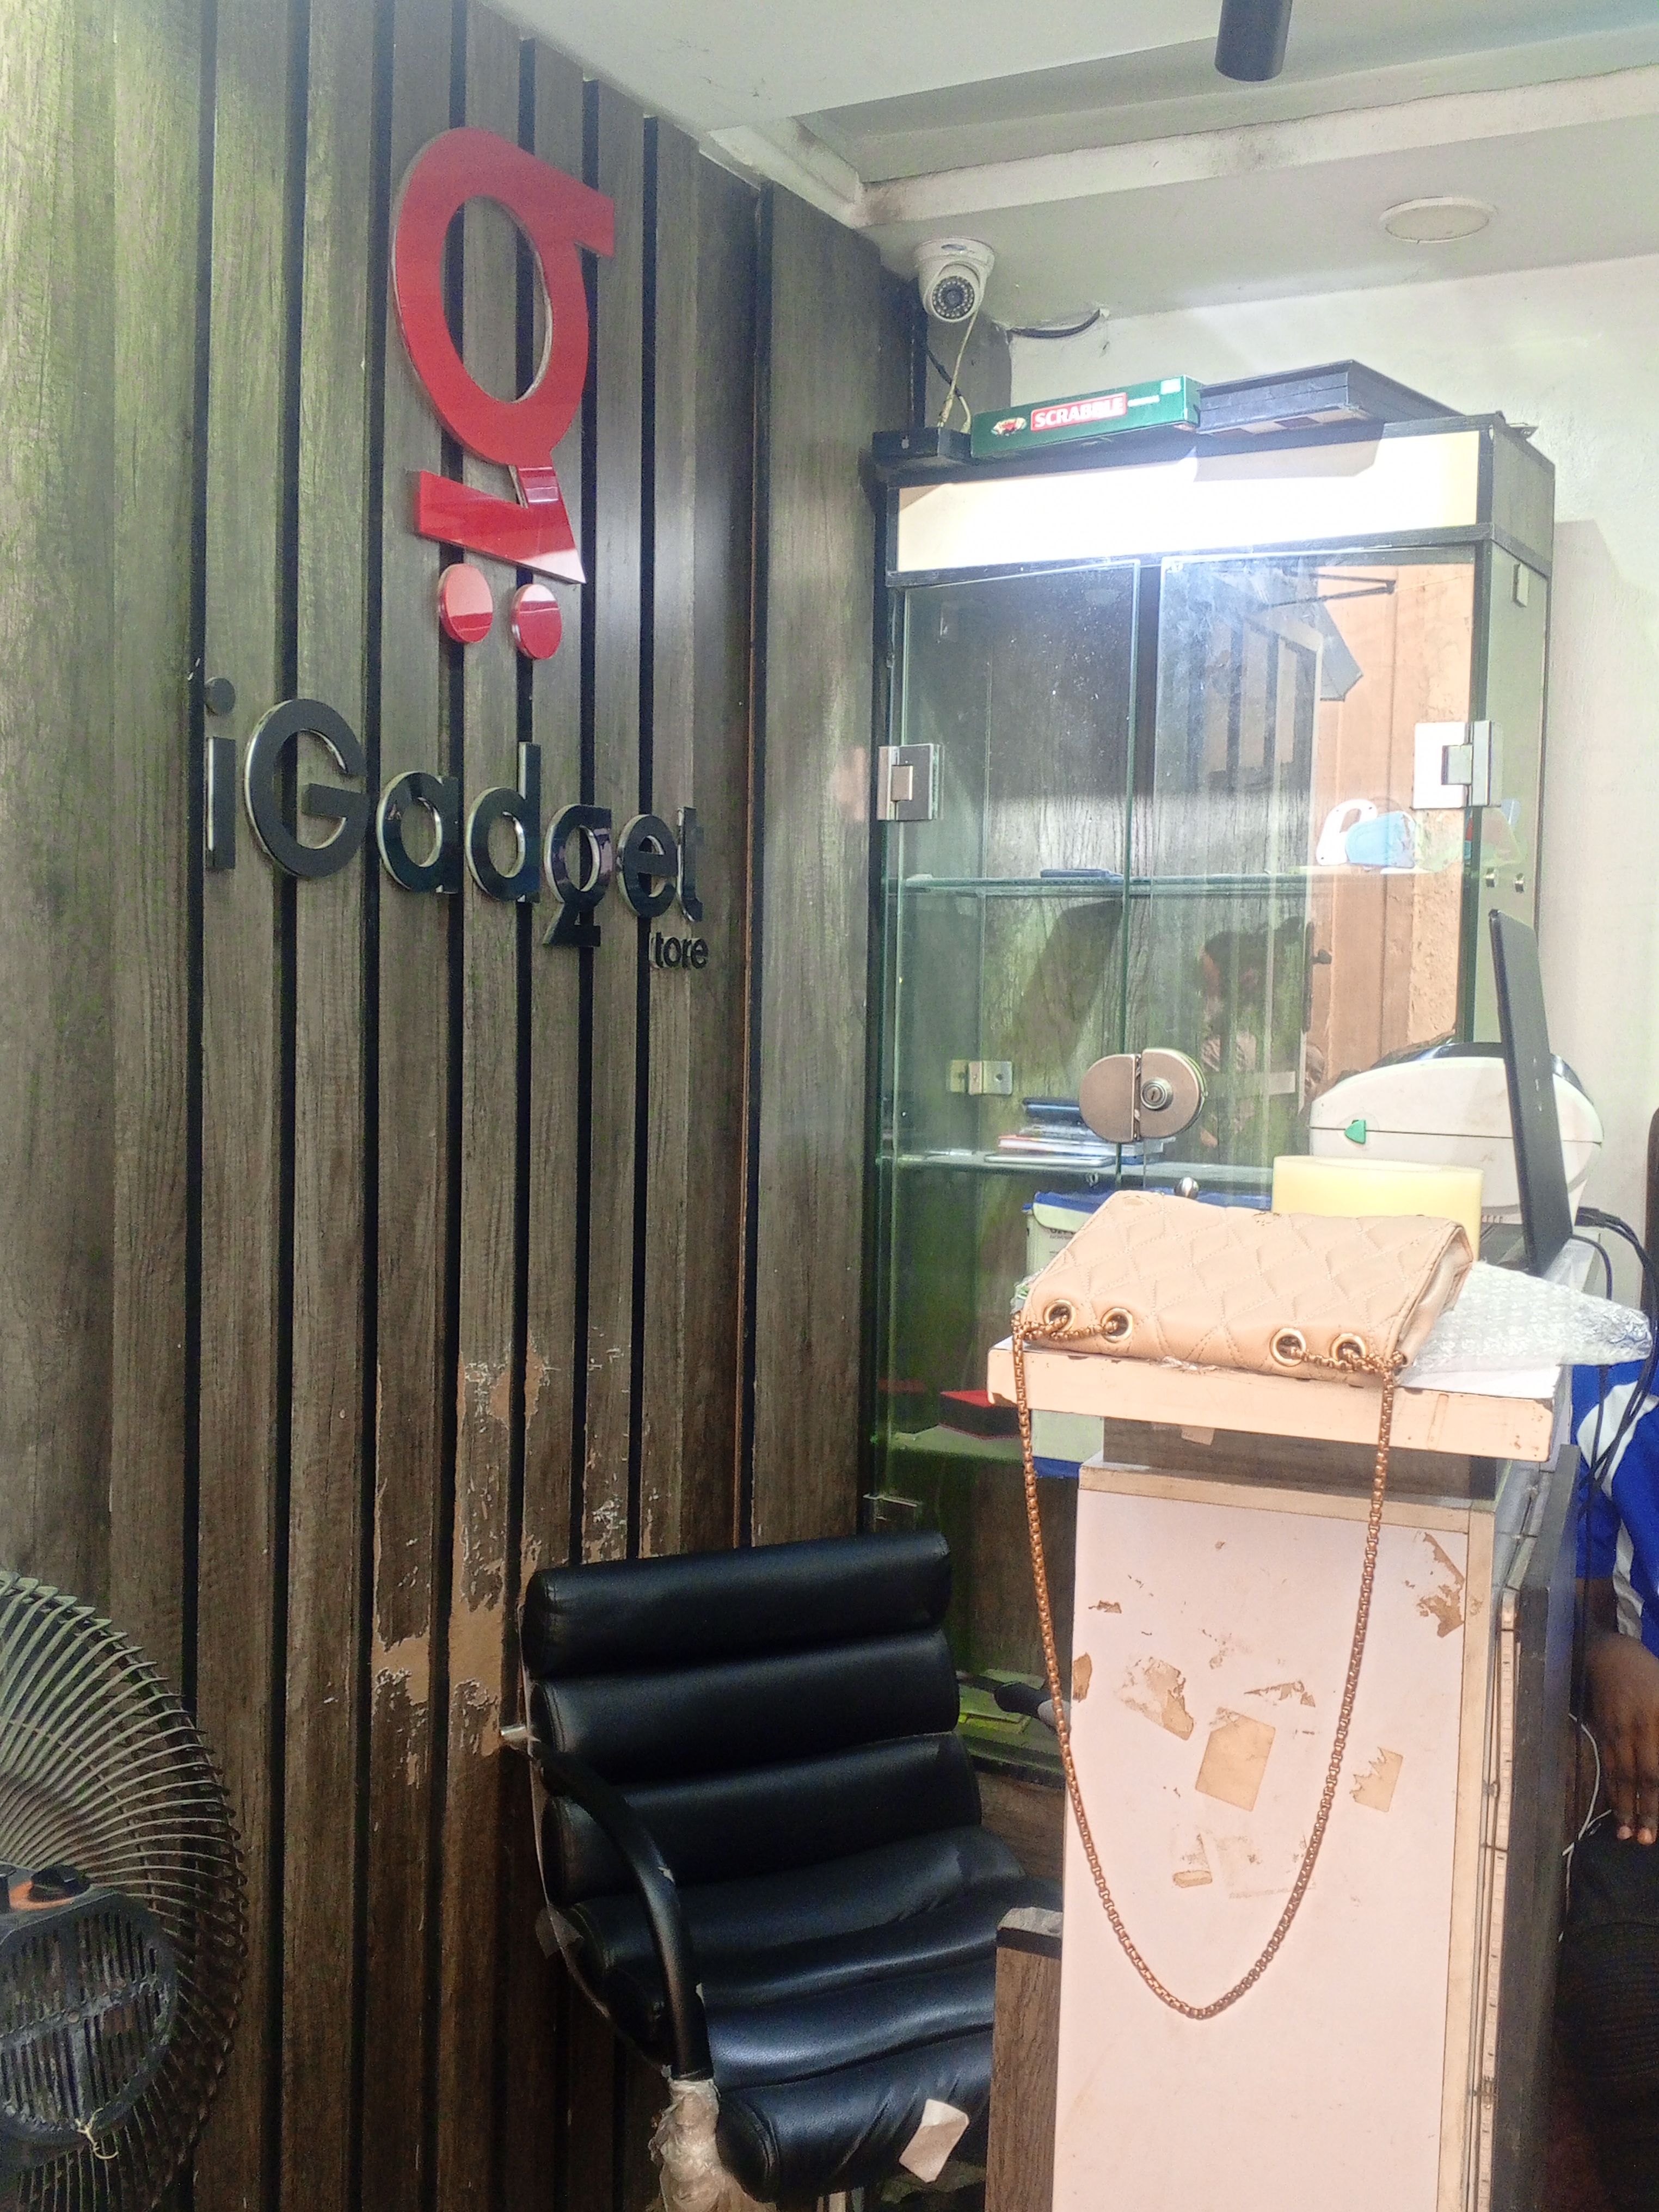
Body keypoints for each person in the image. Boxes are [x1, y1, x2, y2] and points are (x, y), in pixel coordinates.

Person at [1557, 1359, 1659, 2208]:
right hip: (1643, 1814)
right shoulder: (1607, 1397)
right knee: (1618, 1982)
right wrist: (1603, 1654)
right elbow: (1562, 1597)